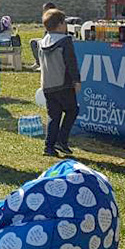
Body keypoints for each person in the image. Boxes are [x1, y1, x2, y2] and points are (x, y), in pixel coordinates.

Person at [39, 8, 80, 157]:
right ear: (61, 24)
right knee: (72, 110)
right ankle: (62, 140)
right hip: (64, 84)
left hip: (47, 84)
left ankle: (49, 146)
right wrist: (76, 80)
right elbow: (71, 62)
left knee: (53, 116)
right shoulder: (65, 41)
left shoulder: (43, 41)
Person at [29, 1, 57, 70]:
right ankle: (38, 62)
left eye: (45, 9)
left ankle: (43, 64)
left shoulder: (55, 19)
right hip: (47, 38)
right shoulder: (48, 18)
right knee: (33, 42)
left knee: (40, 43)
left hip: (53, 40)